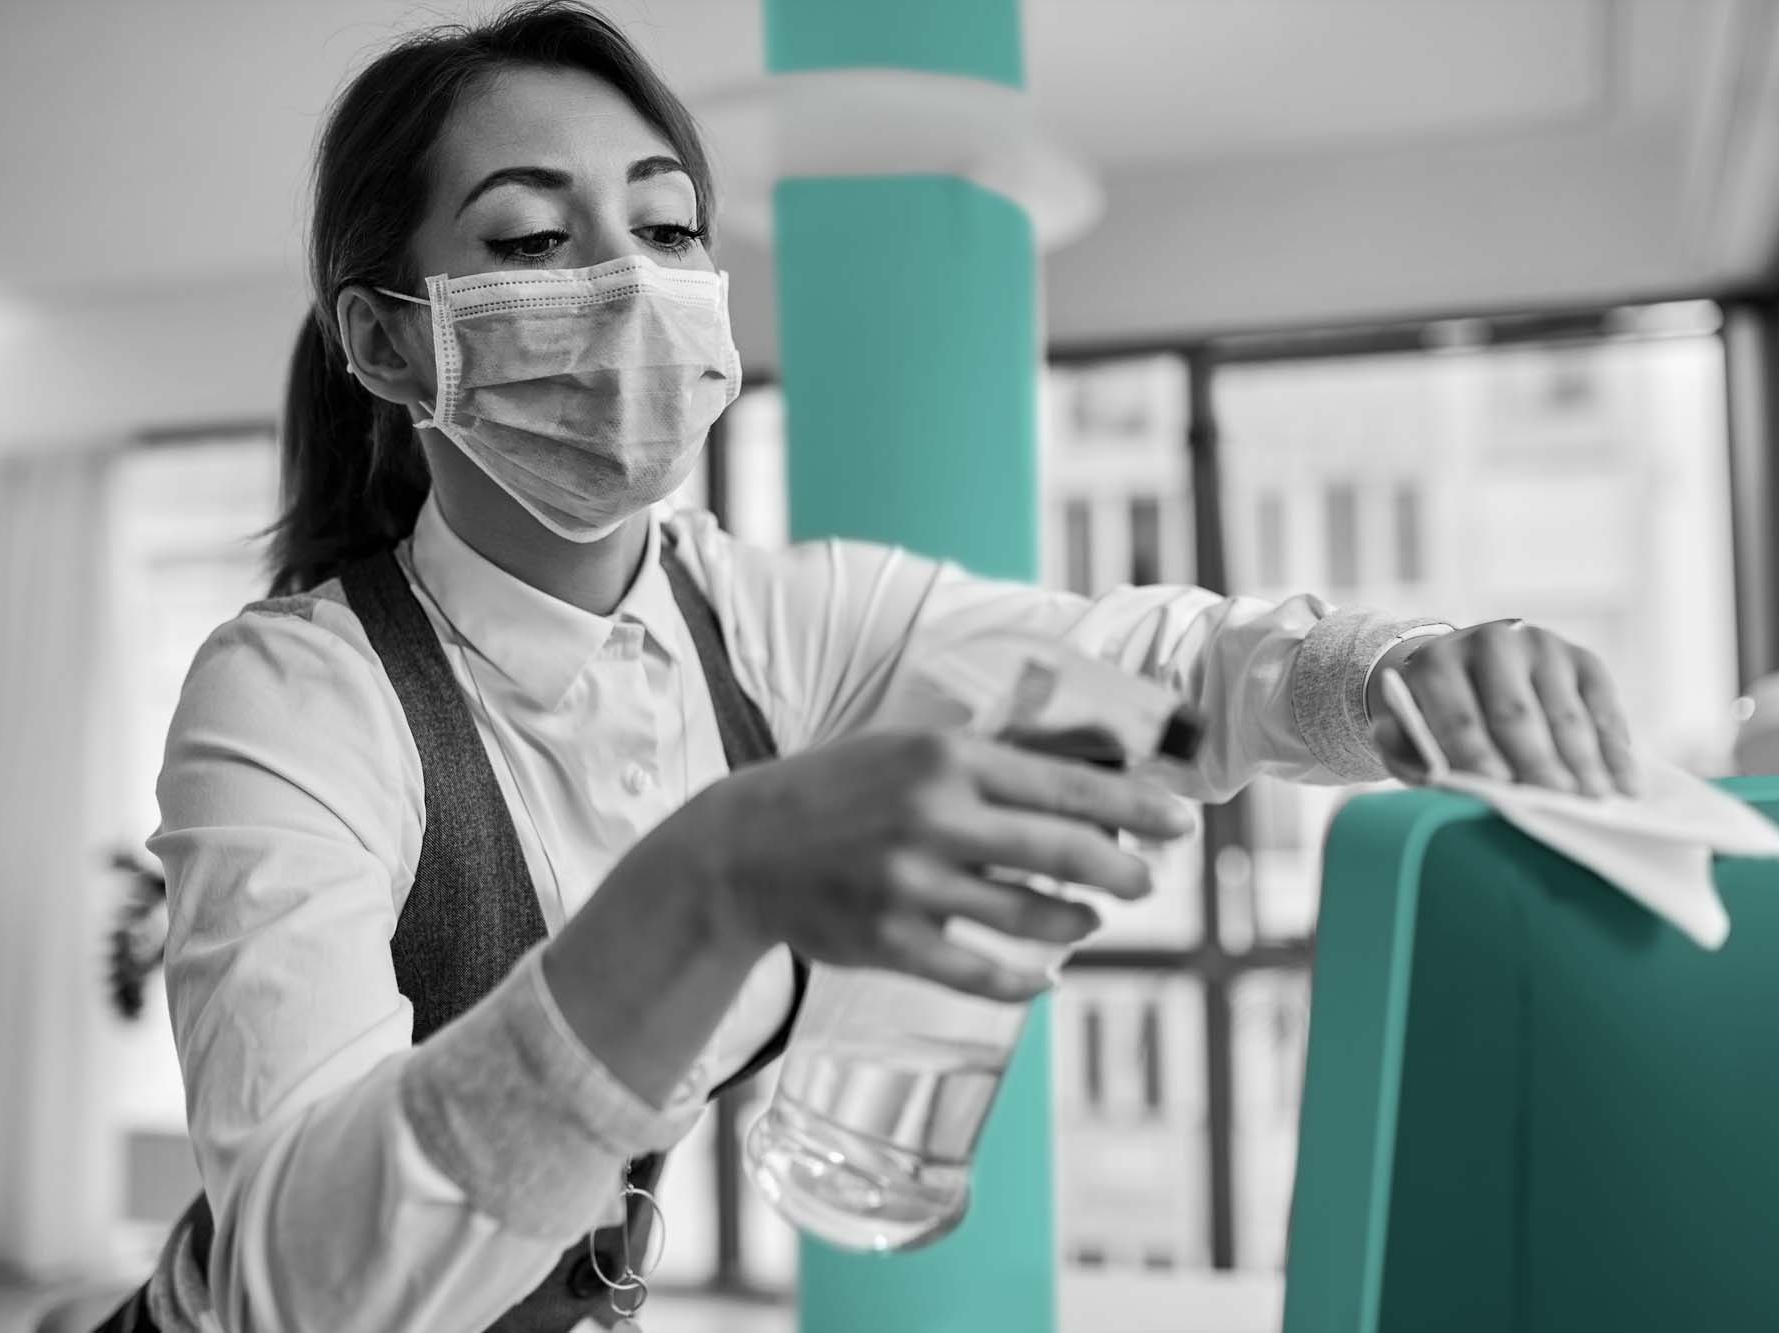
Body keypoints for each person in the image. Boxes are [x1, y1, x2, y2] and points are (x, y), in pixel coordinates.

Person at [97, 3, 1639, 1330]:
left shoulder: (778, 632)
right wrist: (712, 878)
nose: (633, 283)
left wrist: (1383, 681)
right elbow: (293, 1286)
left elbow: (1149, 677)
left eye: (668, 222)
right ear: (385, 343)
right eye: (532, 237)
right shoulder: (295, 700)